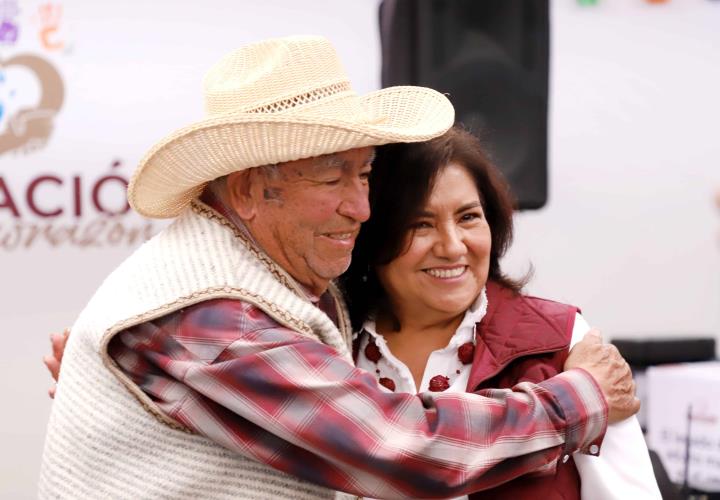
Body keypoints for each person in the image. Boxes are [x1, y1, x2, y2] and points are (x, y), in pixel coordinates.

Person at [40, 35, 638, 499]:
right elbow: (404, 451)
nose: (361, 207)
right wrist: (580, 398)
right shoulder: (211, 319)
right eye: (332, 178)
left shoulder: (268, 290)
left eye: (365, 173)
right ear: (248, 189)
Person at [340, 126, 660, 499]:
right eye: (420, 224)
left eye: (468, 218)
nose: (452, 246)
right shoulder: (332, 344)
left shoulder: (561, 341)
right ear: (375, 234)